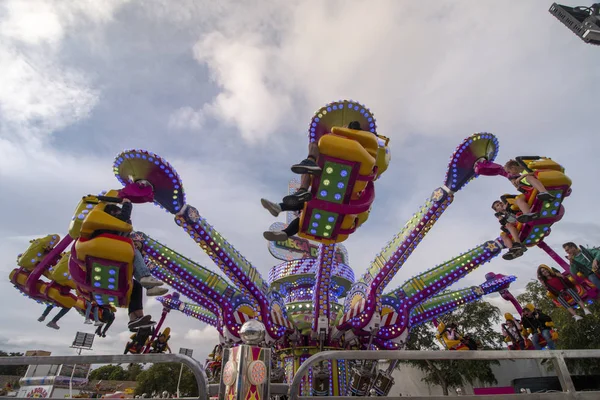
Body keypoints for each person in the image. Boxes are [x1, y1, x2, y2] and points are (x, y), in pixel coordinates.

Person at [285, 121, 364, 206]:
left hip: (344, 155)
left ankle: (310, 163)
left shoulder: (354, 137)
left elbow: (354, 127)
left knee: (315, 143)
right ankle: (302, 191)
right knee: (307, 168)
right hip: (335, 162)